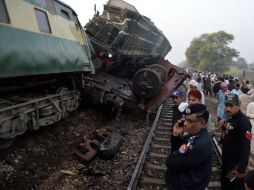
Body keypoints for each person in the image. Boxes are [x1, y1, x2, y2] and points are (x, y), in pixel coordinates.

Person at [165, 104, 213, 190]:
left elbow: (170, 163)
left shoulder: (198, 144)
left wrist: (173, 157)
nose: (185, 123)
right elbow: (177, 150)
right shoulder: (197, 135)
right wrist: (175, 135)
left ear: (202, 123)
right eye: (185, 119)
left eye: (190, 121)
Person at [220, 94, 252, 190]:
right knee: (225, 185)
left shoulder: (244, 122)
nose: (227, 109)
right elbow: (226, 138)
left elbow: (246, 147)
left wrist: (241, 170)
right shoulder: (230, 118)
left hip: (235, 166)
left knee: (234, 187)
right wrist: (223, 128)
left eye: (231, 106)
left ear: (238, 105)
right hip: (226, 161)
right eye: (226, 105)